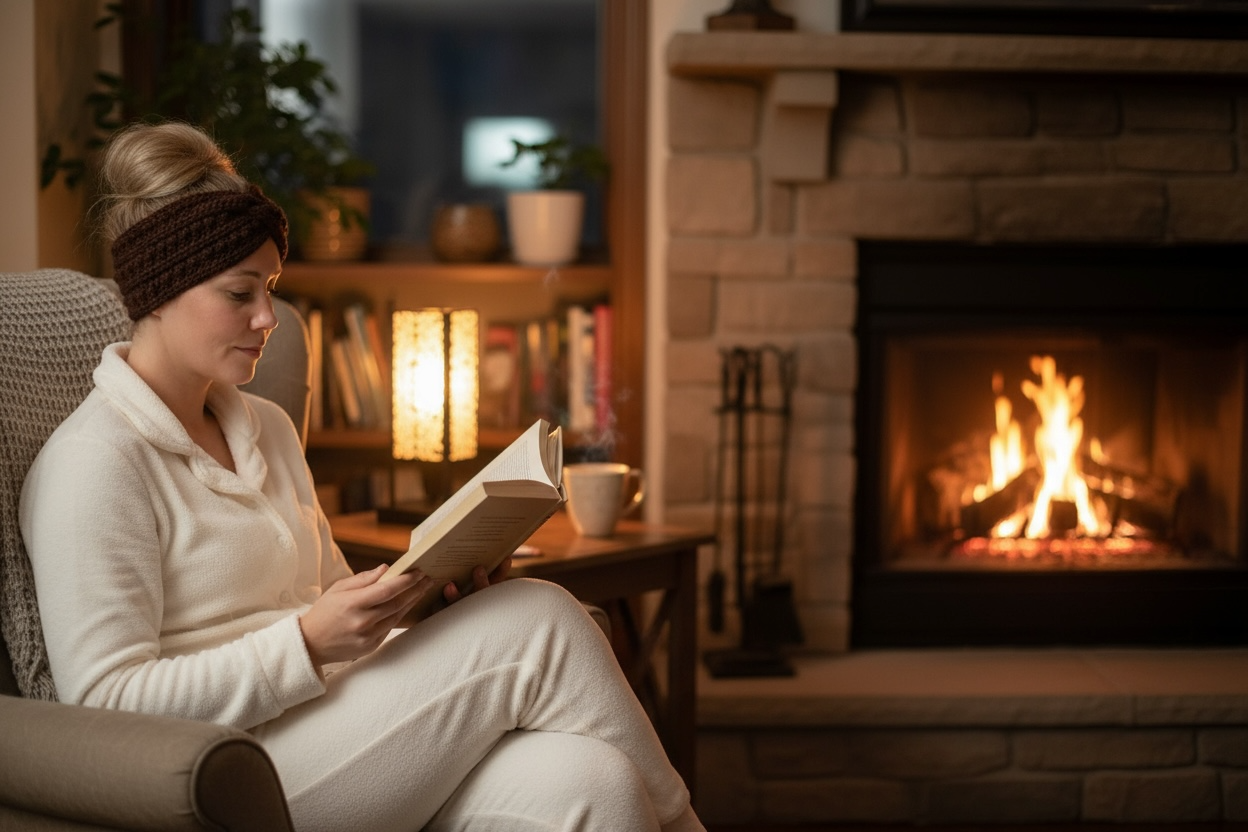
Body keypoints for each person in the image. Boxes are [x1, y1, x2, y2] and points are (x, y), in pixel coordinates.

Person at [20, 121, 704, 832]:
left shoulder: (266, 429)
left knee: (595, 781)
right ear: (159, 293)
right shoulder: (94, 463)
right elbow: (105, 706)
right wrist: (306, 644)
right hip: (226, 768)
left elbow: (328, 602)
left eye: (273, 289)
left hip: (340, 730)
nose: (268, 318)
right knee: (540, 619)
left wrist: (420, 610)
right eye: (239, 293)